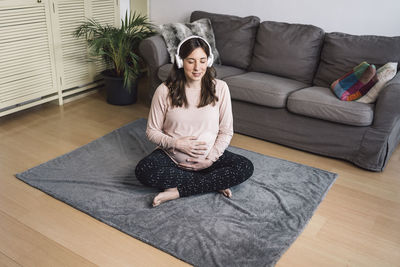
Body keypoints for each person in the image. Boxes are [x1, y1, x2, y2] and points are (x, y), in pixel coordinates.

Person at [135, 35, 254, 207]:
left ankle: (177, 191)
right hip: (172, 157)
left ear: (209, 61)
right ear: (181, 62)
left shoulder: (220, 88)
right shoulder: (164, 90)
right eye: (191, 61)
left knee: (244, 166)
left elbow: (226, 131)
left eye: (202, 60)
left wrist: (211, 159)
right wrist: (177, 143)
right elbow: (152, 131)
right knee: (144, 171)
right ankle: (212, 183)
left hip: (209, 159)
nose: (197, 67)